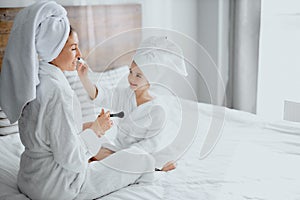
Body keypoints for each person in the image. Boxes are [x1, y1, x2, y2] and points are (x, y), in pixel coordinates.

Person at [0, 1, 158, 199]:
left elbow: (50, 133)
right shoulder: (57, 91)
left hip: (29, 178)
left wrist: (88, 127)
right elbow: (71, 159)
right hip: (58, 187)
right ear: (53, 49)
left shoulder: (32, 80)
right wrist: (96, 130)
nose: (80, 55)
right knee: (142, 159)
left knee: (106, 148)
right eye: (74, 48)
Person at [77, 36, 188, 170]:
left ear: (151, 80)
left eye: (138, 75)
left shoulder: (157, 110)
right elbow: (102, 95)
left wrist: (127, 155)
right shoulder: (125, 94)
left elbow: (152, 143)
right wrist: (84, 79)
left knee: (115, 162)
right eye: (131, 72)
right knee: (89, 148)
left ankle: (152, 169)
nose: (131, 78)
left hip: (138, 154)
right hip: (117, 149)